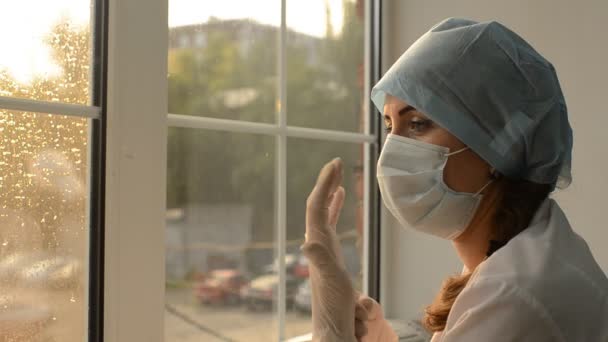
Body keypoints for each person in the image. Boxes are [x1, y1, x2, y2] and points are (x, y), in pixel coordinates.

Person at [301, 18, 608, 342]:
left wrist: (331, 332)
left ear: (499, 144)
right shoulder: (529, 244)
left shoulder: (513, 293)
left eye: (417, 124)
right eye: (391, 126)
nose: (391, 151)